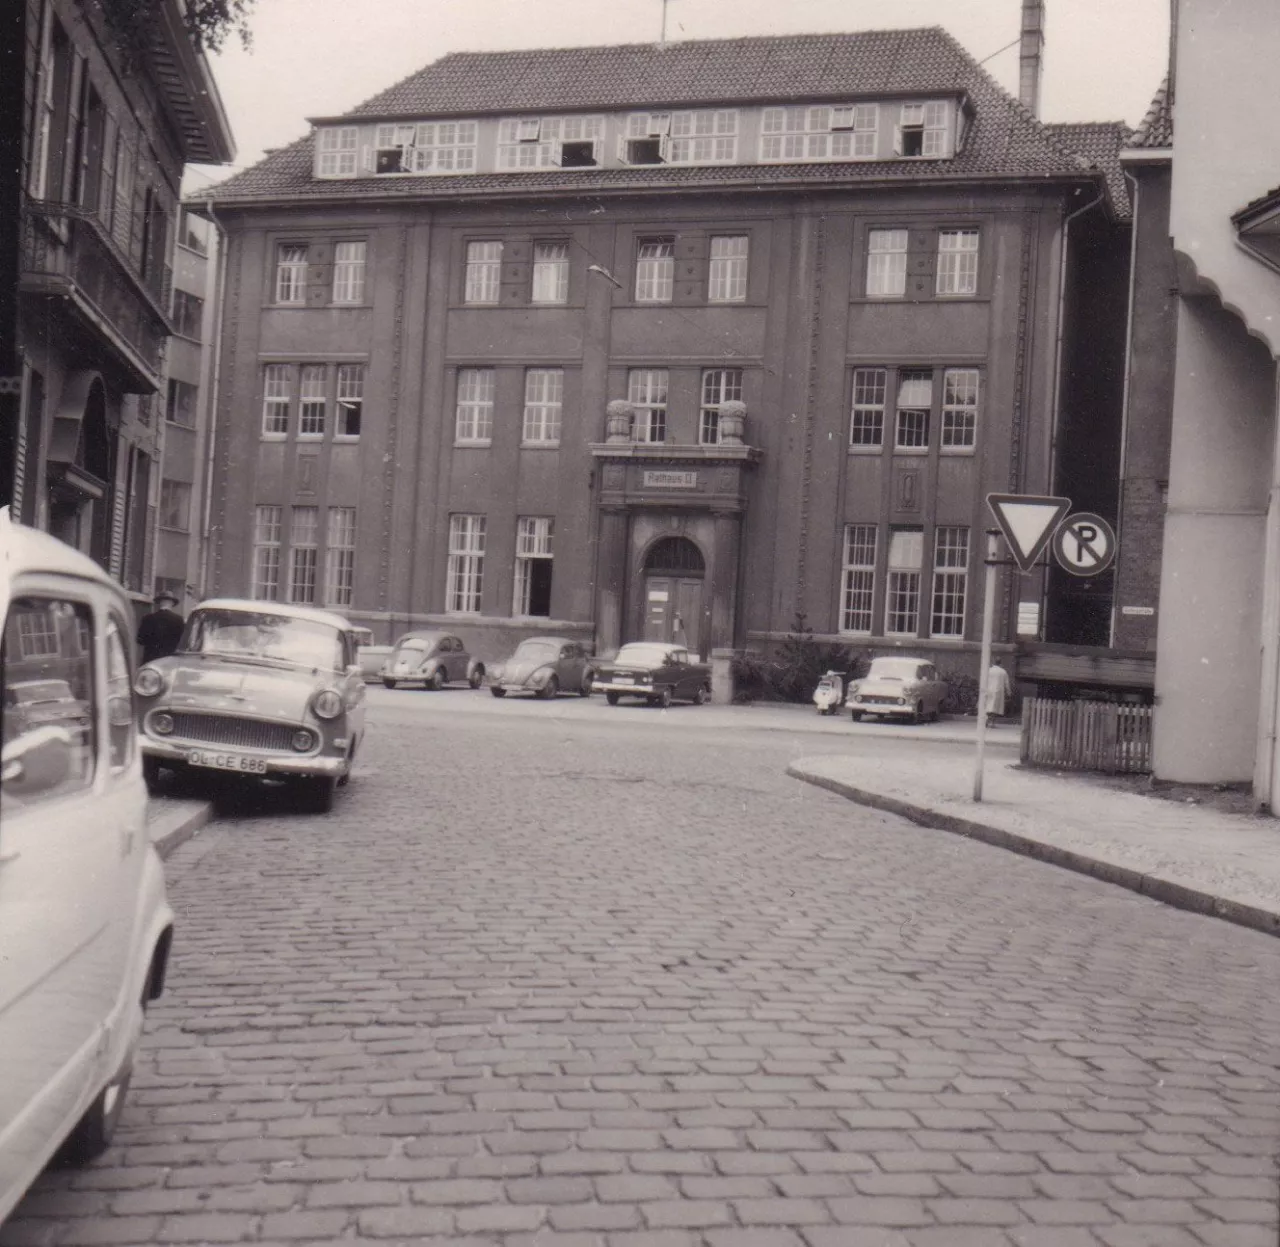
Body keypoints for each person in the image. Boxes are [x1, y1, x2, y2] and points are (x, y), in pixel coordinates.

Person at [137, 591, 185, 665]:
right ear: (172, 604)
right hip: (170, 660)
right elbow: (182, 642)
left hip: (150, 660)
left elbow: (140, 640)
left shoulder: (148, 618)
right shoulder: (179, 620)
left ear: (159, 603)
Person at [985, 658, 1012, 727]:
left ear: (994, 663)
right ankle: (992, 723)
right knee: (995, 707)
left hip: (988, 690)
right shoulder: (1003, 672)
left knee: (988, 706)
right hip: (998, 691)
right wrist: (1009, 692)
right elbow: (1006, 683)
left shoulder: (989, 670)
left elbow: (984, 680)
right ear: (1000, 664)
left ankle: (987, 719)